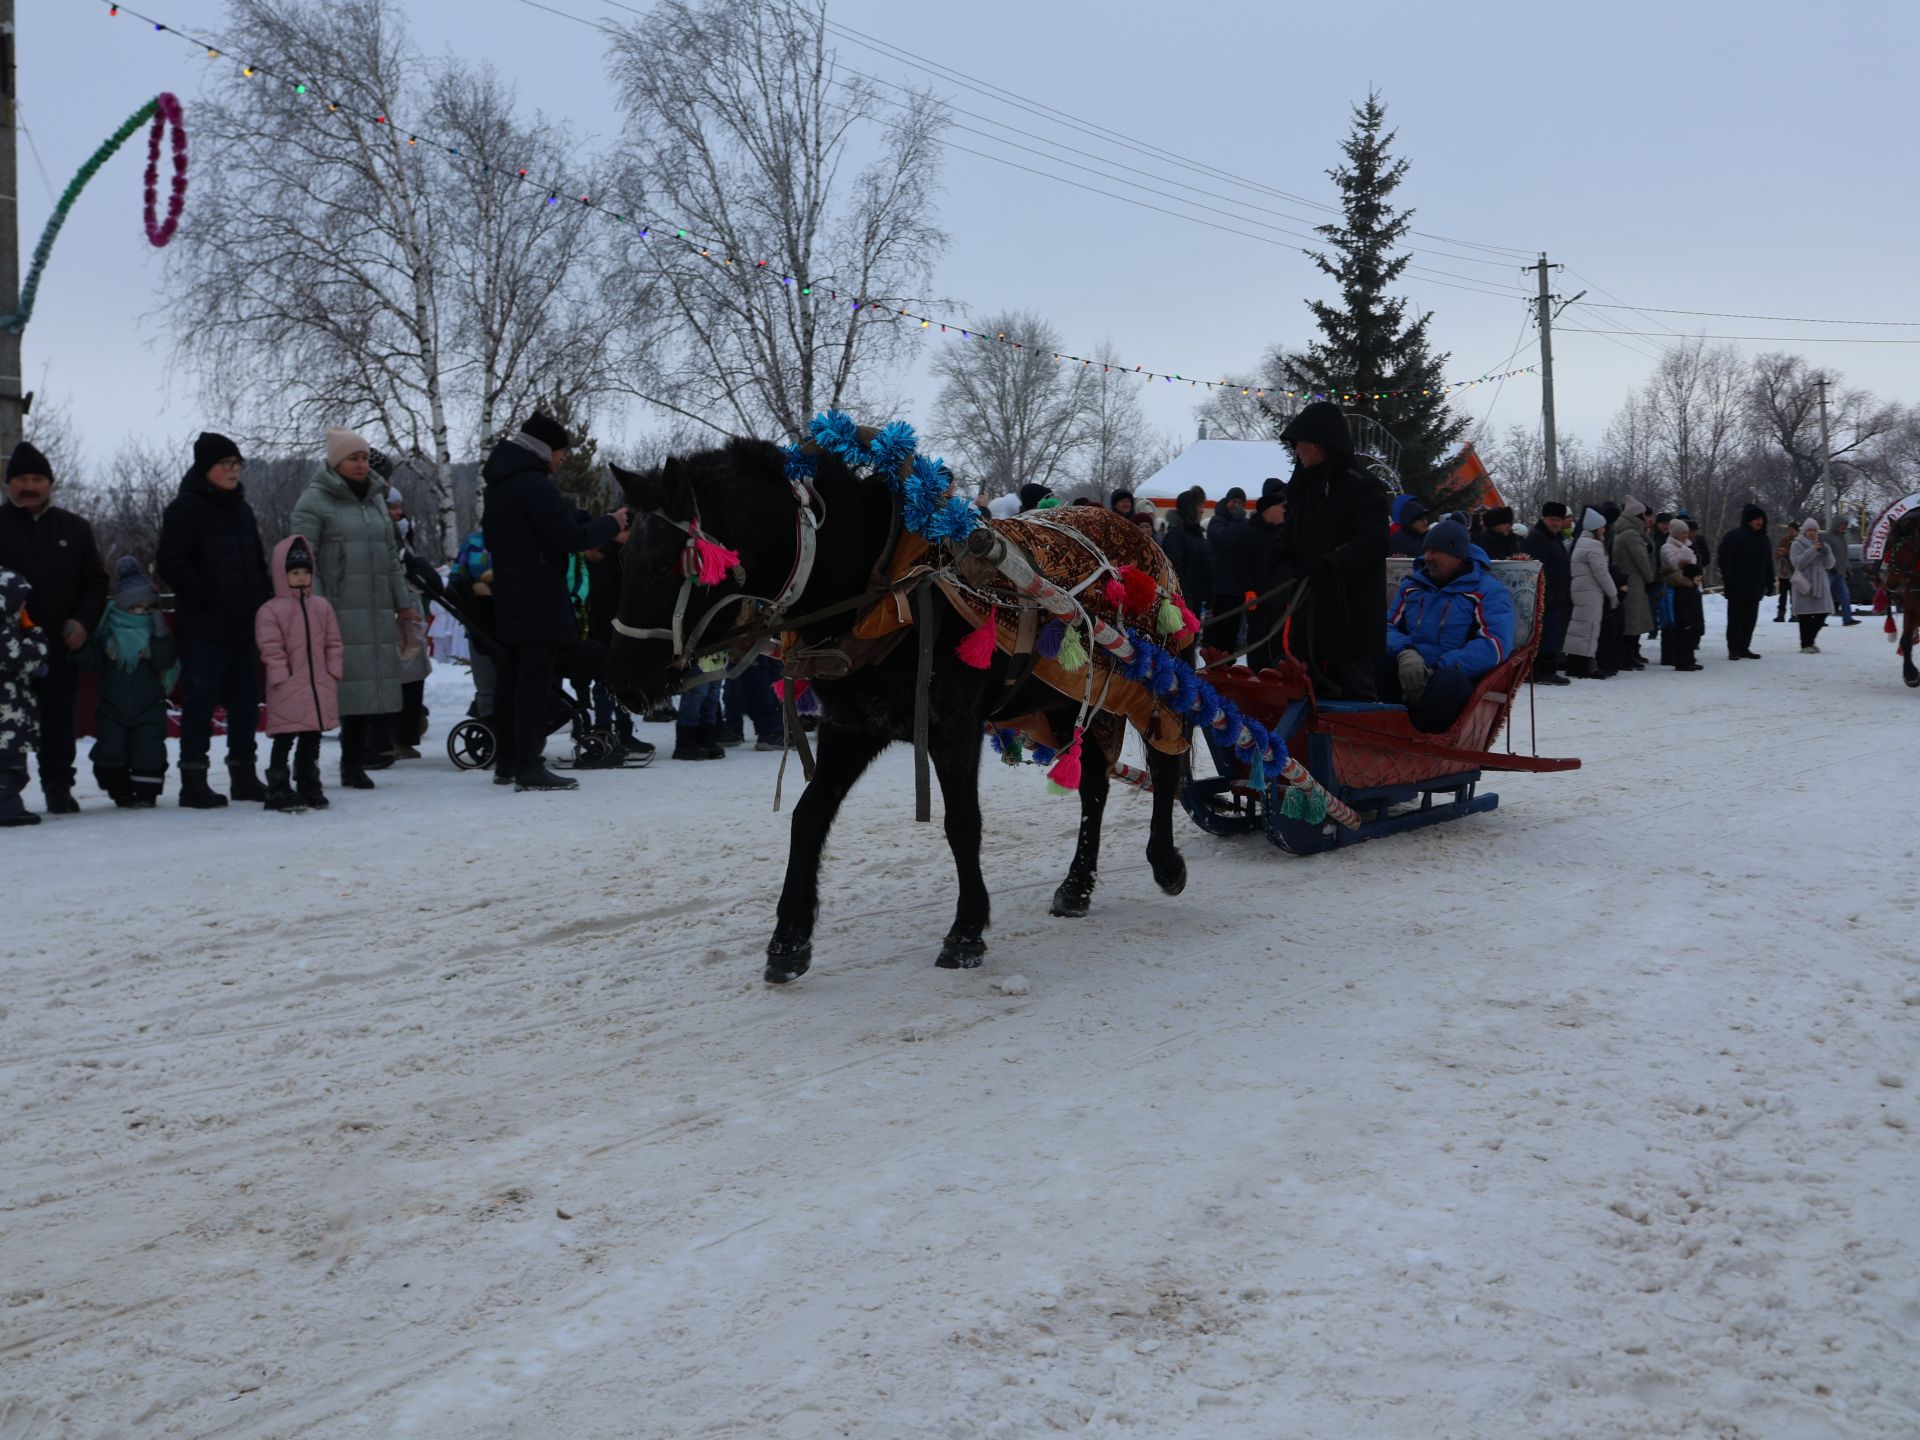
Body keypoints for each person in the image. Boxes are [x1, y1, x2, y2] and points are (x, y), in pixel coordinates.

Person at [480, 412, 626, 792]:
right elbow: (567, 537)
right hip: (539, 598)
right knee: (534, 683)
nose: (562, 460)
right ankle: (529, 764)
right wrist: (612, 523)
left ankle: (509, 761)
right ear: (546, 449)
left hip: (513, 596)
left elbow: (550, 521)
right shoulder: (532, 484)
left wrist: (585, 519)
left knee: (512, 679)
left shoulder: (503, 482)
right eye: (561, 452)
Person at [290, 428, 419, 789]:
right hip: (334, 610)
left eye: (364, 457)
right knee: (325, 689)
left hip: (374, 608)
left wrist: (403, 604)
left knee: (364, 688)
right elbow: (301, 559)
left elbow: (392, 557)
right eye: (353, 458)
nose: (361, 464)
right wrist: (313, 608)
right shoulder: (314, 502)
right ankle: (306, 766)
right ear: (335, 462)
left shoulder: (376, 499)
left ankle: (353, 761)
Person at [156, 432, 273, 809]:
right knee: (200, 703)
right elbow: (172, 564)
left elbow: (256, 560)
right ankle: (193, 780)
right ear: (206, 468)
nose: (233, 471)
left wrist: (264, 599)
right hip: (205, 627)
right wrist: (211, 596)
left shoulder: (242, 509)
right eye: (226, 464)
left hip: (244, 625)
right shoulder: (184, 509)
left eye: (237, 464)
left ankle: (244, 775)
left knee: (245, 703)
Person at [0, 440, 108, 814]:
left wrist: (83, 622)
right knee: (5, 723)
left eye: (37, 478)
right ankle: (5, 791)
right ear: (8, 483)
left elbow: (96, 583)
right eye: (22, 479)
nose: (29, 486)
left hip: (61, 645)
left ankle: (58, 785)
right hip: (7, 652)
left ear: (50, 483)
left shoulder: (75, 529)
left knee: (59, 719)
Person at [1276, 402, 1391, 698]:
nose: (1296, 451)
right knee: (1305, 698)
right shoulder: (1304, 486)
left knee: (1356, 698)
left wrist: (1329, 565)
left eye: (1300, 444)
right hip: (1309, 616)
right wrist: (1279, 552)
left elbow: (1374, 541)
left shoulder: (1363, 487)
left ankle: (1367, 742)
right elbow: (1292, 532)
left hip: (1351, 619)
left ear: (1318, 445)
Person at [1378, 520, 1516, 732]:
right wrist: (1405, 653)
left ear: (1458, 556)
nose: (1428, 558)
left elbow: (1494, 644)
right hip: (1410, 668)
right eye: (1426, 550)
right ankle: (1377, 730)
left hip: (1452, 676)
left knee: (1448, 682)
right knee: (1375, 662)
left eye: (1436, 551)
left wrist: (1437, 668)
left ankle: (1422, 744)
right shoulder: (1412, 586)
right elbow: (1386, 626)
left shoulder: (1486, 591)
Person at [76, 557, 178, 806]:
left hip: (149, 705)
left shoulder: (156, 634)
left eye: (146, 608)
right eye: (134, 609)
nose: (140, 614)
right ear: (122, 608)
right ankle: (119, 790)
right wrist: (79, 647)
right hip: (112, 705)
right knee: (111, 751)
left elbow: (165, 662)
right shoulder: (108, 634)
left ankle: (146, 793)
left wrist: (160, 634)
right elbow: (91, 661)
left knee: (149, 751)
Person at [254, 535, 343, 812]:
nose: (302, 578)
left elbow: (334, 641)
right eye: (294, 573)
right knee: (284, 737)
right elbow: (270, 646)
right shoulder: (271, 610)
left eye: (306, 572)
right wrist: (281, 674)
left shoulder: (321, 606)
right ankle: (278, 787)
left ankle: (308, 783)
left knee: (312, 738)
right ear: (283, 575)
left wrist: (333, 669)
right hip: (289, 685)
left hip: (319, 685)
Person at [382, 468, 432, 757]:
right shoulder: (390, 539)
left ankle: (405, 734)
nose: (397, 512)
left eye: (399, 507)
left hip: (409, 613)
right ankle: (393, 737)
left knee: (413, 674)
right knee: (399, 674)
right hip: (395, 614)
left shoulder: (405, 539)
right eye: (392, 507)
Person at [0, 565, 47, 826]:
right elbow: (23, 658)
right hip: (6, 720)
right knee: (9, 768)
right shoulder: (5, 632)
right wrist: (34, 632)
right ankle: (7, 810)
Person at [1230, 479, 1292, 670]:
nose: (1285, 511)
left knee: (1279, 644)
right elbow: (1240, 564)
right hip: (1258, 600)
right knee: (1258, 641)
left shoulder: (1284, 534)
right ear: (1269, 509)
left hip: (1281, 600)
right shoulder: (1249, 533)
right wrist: (1248, 589)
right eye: (1281, 507)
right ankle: (1257, 676)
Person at [1523, 502, 1574, 685]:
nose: (1556, 523)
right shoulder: (1538, 538)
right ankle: (1543, 671)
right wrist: (1546, 594)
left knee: (1552, 634)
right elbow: (1538, 569)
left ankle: (1546, 669)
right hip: (1545, 597)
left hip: (1556, 595)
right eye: (1552, 519)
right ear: (1544, 518)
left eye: (1559, 520)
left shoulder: (1554, 538)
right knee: (1546, 636)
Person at [1714, 503, 1772, 660]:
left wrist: (1770, 581)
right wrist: (1729, 580)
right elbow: (1724, 560)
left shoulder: (1764, 539)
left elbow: (1768, 562)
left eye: (1761, 519)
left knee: (1750, 619)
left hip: (1755, 586)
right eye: (1756, 519)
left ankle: (1744, 647)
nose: (1759, 522)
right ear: (1748, 521)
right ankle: (1734, 649)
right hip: (1737, 586)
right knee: (1736, 619)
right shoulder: (1734, 536)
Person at [1564, 508, 1616, 679]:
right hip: (1590, 593)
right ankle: (1586, 667)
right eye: (1602, 527)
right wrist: (1613, 594)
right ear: (1595, 528)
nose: (1604, 530)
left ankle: (1573, 665)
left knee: (1578, 628)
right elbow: (1601, 572)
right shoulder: (1594, 545)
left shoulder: (1581, 541)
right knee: (1590, 628)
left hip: (1580, 591)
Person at [1611, 496, 1657, 669]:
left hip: (1631, 581)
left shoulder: (1627, 532)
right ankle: (1627, 657)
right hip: (1634, 582)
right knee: (1632, 622)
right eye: (1644, 515)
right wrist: (1650, 578)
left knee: (1632, 621)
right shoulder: (1631, 534)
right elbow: (1641, 559)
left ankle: (1630, 655)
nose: (1647, 518)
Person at [1204, 486, 1248, 651]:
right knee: (1219, 634)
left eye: (1240, 502)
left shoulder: (1243, 523)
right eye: (1233, 501)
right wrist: (1238, 521)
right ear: (1227, 501)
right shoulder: (1217, 521)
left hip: (1237, 587)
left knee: (1232, 633)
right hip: (1221, 587)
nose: (1236, 505)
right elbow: (1226, 539)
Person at [1659, 518, 1705, 671]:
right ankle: (1682, 660)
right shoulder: (1667, 547)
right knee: (1683, 625)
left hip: (1691, 587)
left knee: (1692, 625)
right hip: (1678, 588)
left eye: (1687, 532)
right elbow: (1676, 563)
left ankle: (1689, 657)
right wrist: (1686, 550)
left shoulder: (1687, 546)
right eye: (1683, 532)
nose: (1686, 535)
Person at [1159, 488, 1212, 618]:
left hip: (1197, 603)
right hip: (1183, 606)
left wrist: (1210, 599)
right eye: (1199, 506)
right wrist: (1185, 605)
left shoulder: (1197, 534)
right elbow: (1176, 574)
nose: (1202, 510)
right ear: (1190, 509)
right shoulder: (1175, 536)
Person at [1788, 518, 1835, 652]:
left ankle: (1810, 640)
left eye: (1814, 530)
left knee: (1824, 612)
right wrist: (1813, 550)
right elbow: (1798, 563)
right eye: (1809, 530)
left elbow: (1830, 564)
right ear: (1804, 531)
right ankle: (1805, 644)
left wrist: (1826, 552)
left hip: (1820, 582)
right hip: (1805, 582)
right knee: (1805, 615)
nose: (1812, 533)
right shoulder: (1797, 544)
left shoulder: (1822, 544)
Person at [1827, 519, 1860, 625]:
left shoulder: (1842, 538)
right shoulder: (1827, 537)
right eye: (1842, 525)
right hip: (1829, 572)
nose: (1844, 528)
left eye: (1845, 526)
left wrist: (1848, 569)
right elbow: (1825, 553)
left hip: (1840, 573)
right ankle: (1819, 618)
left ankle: (1847, 618)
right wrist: (1830, 567)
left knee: (1845, 595)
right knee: (1824, 595)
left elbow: (1845, 556)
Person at [1773, 523, 1796, 623]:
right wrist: (1779, 553)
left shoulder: (1799, 542)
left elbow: (1798, 556)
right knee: (1782, 595)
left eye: (1793, 530)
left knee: (1794, 595)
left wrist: (1787, 552)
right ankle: (1781, 615)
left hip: (1794, 572)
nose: (1790, 531)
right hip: (1784, 572)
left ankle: (1794, 615)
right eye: (1789, 529)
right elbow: (1776, 556)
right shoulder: (1784, 540)